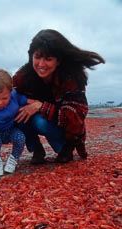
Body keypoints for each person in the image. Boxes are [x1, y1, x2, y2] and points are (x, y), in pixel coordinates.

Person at [13, 29, 105, 164]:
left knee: (40, 121)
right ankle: (37, 150)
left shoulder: (71, 78)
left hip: (66, 129)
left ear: (59, 61)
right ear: (31, 56)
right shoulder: (24, 76)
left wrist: (40, 106)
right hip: (40, 118)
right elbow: (1, 93)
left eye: (48, 59)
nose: (41, 64)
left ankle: (65, 149)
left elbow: (75, 117)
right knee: (16, 112)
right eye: (37, 57)